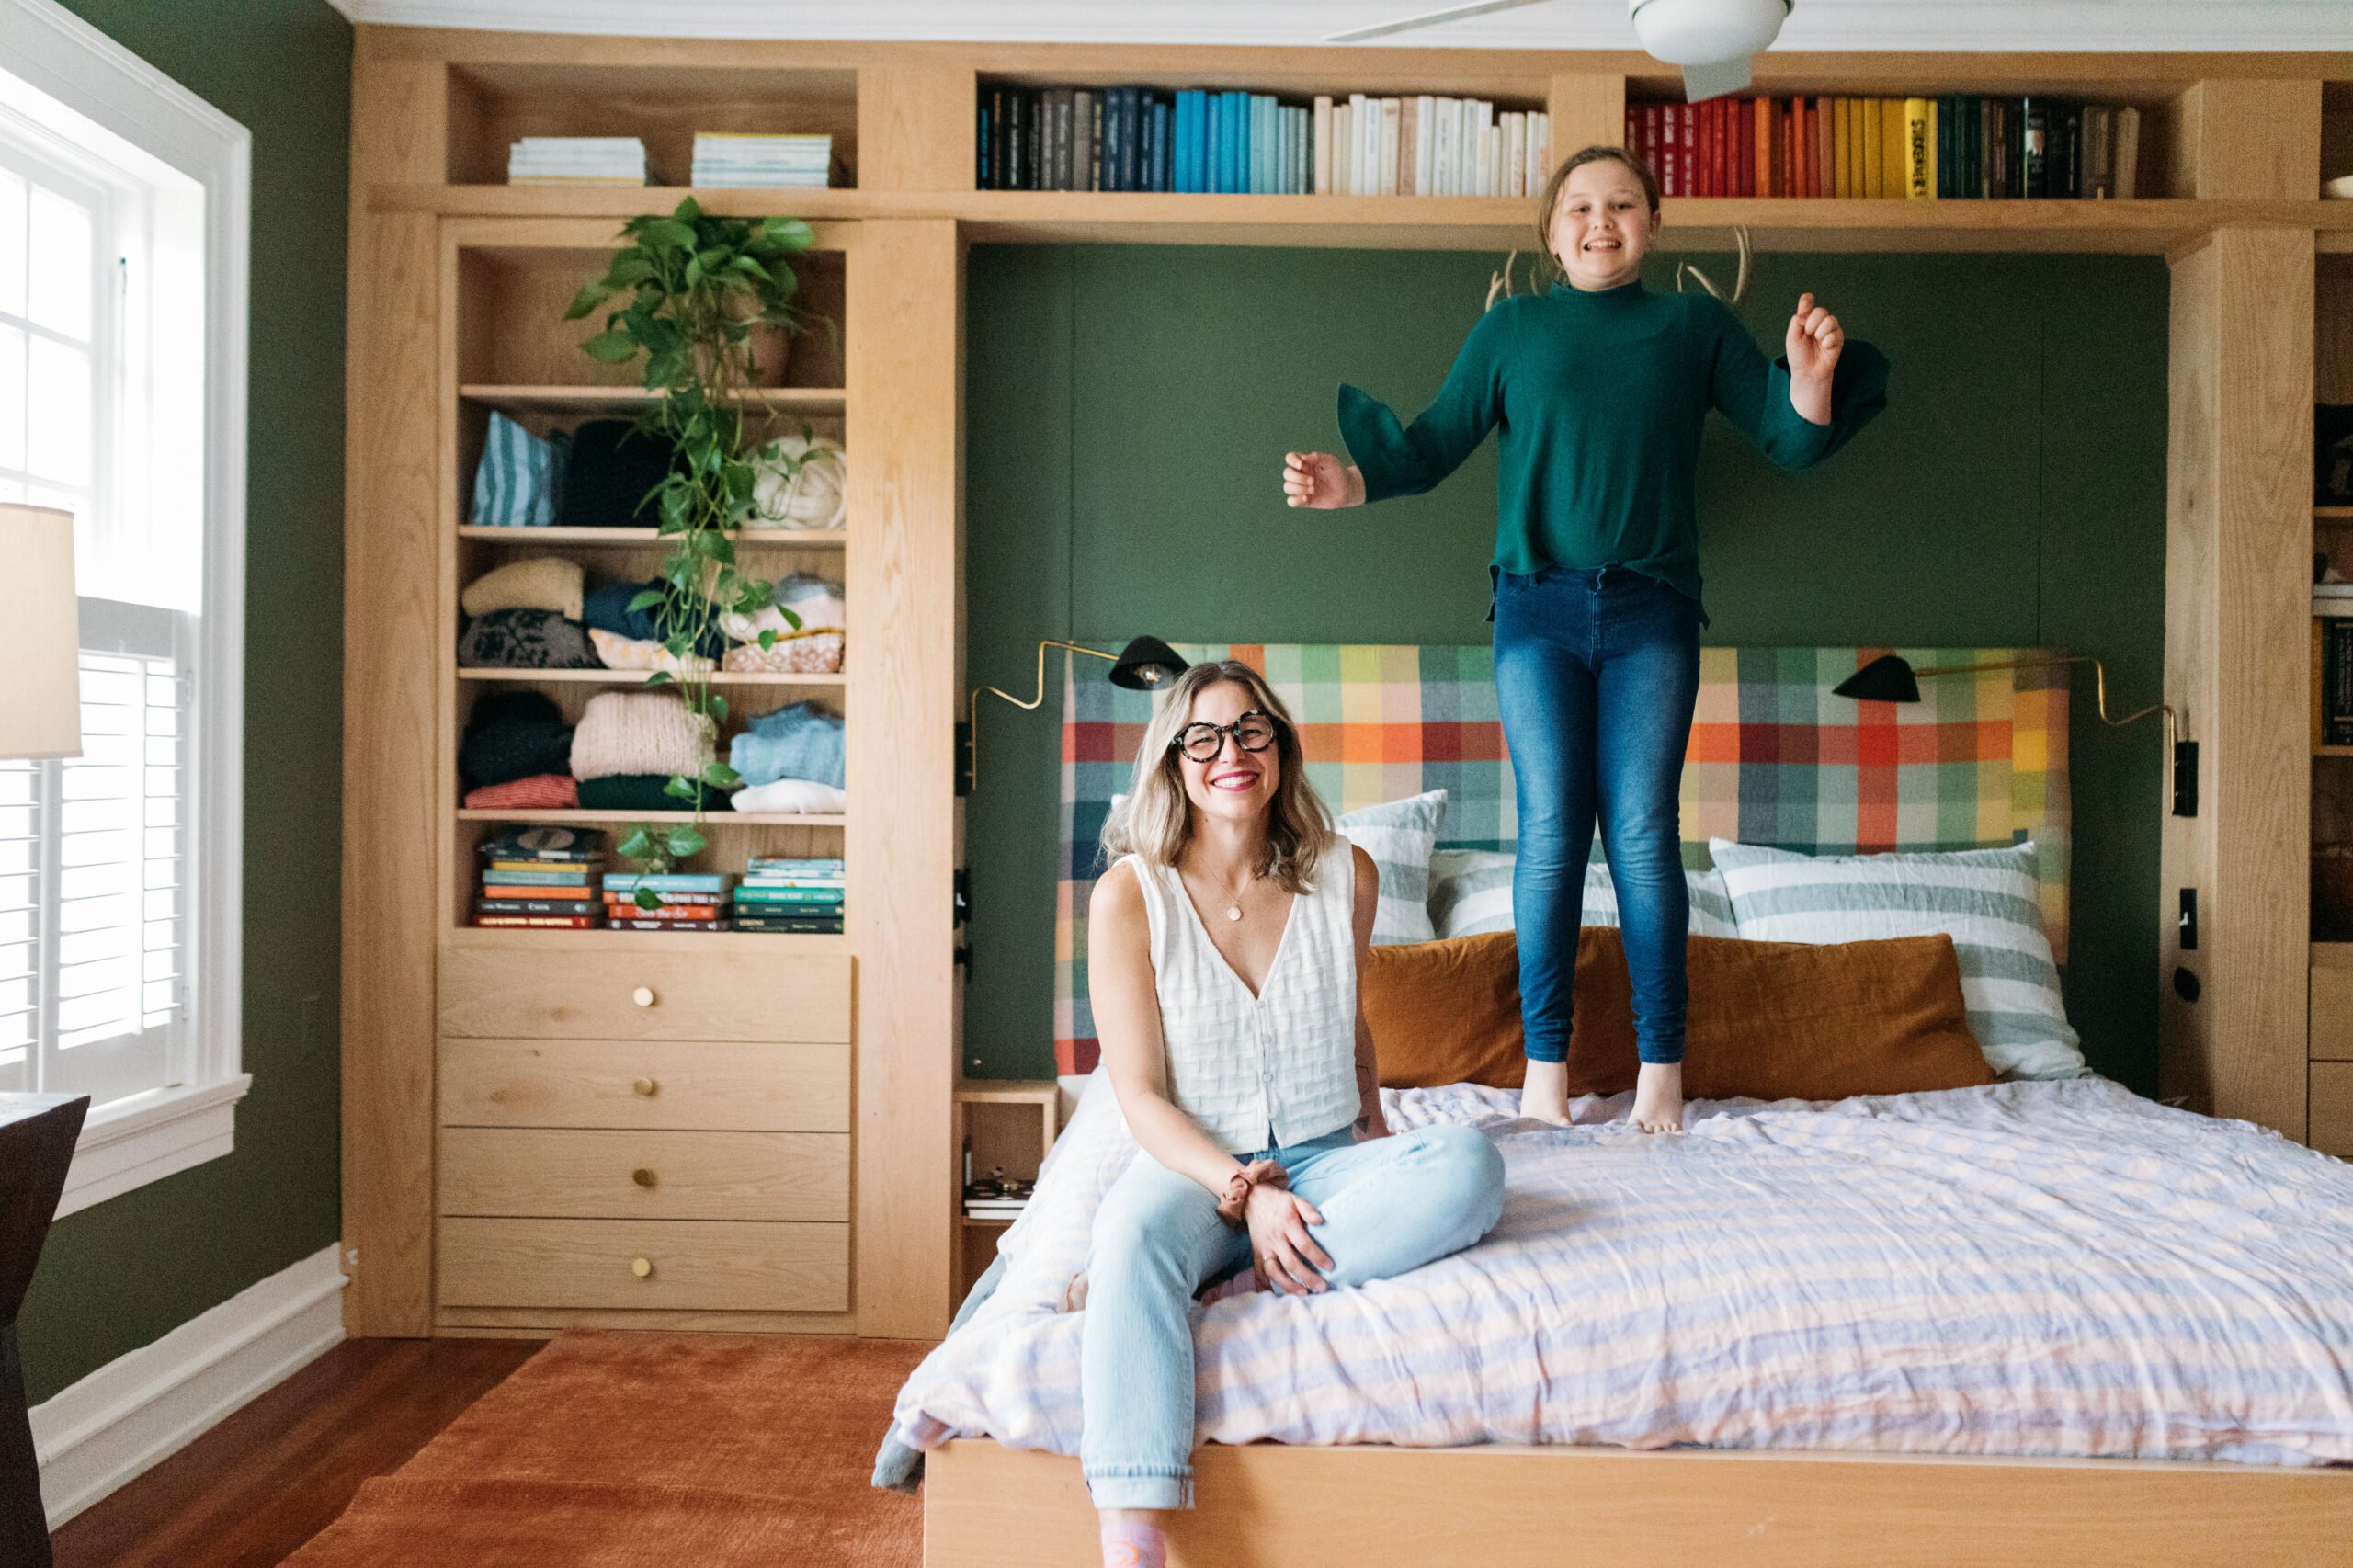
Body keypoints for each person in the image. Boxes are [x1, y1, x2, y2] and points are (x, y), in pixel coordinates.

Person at [1281, 145, 1887, 1134]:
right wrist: (1345, 485)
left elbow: (1789, 438)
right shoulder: (1511, 329)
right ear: (1548, 232)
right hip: (1535, 612)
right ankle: (1544, 1075)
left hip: (1652, 611)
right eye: (1577, 207)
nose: (1598, 221)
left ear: (1652, 223)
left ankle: (1661, 1072)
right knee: (1552, 831)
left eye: (1620, 205)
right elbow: (1431, 447)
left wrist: (1811, 377)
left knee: (1643, 832)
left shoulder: (1691, 325)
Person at [1077, 659, 1507, 1568]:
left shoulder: (1343, 872)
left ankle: (1243, 1275)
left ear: (1279, 746)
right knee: (1127, 1241)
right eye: (1202, 736)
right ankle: (1134, 1535)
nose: (1228, 752)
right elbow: (1139, 1096)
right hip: (1190, 1164)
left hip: (1322, 1152)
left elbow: (1345, 1015)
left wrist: (1380, 1136)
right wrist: (1243, 1189)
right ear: (1172, 761)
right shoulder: (1128, 893)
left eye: (1249, 730)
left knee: (1469, 1165)